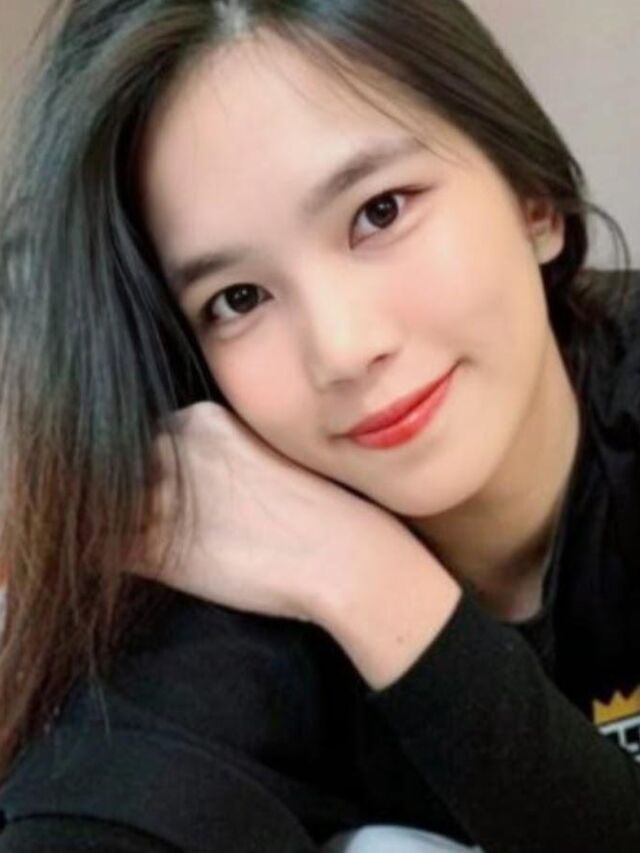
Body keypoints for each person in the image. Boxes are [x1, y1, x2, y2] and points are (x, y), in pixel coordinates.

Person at [0, 0, 638, 850]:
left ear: (534, 201)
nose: (342, 349)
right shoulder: (223, 578)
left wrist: (371, 586)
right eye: (238, 299)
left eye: (381, 211)